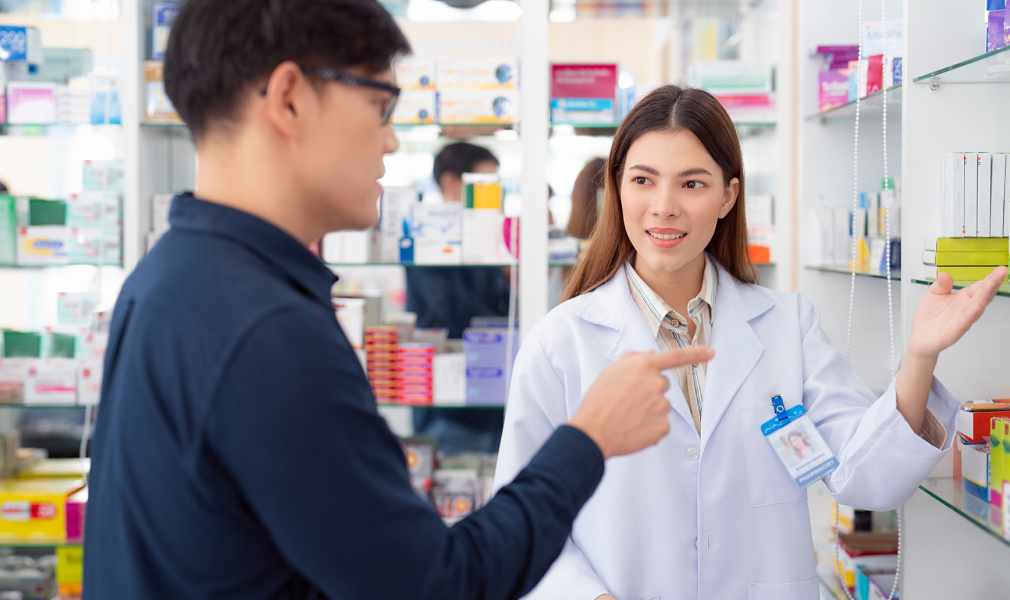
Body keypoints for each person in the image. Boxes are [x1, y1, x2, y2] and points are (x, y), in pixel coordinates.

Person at [81, 2, 713, 599]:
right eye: (381, 107)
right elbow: (436, 586)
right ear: (290, 99)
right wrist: (588, 439)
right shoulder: (267, 330)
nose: (389, 141)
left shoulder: (168, 276)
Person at [493, 85, 1007, 600]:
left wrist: (920, 354)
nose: (664, 207)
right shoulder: (561, 343)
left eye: (692, 183)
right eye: (643, 180)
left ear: (728, 196)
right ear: (618, 189)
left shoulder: (787, 325)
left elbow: (864, 479)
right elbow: (521, 522)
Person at [408, 142, 508, 453]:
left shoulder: (483, 236)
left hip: (495, 400)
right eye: (483, 185)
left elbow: (506, 307)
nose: (494, 196)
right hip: (451, 410)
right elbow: (457, 314)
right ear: (451, 183)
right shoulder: (426, 237)